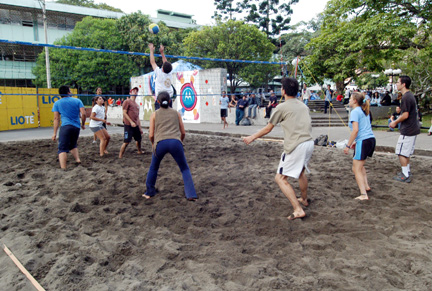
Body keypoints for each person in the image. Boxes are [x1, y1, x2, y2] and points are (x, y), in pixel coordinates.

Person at [243, 77, 314, 221]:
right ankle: (304, 200)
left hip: (296, 145)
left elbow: (268, 128)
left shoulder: (281, 107)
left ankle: (298, 209)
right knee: (301, 172)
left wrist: (252, 137)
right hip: (309, 143)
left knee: (280, 178)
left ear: (283, 91)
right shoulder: (303, 106)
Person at [143, 91, 198, 201]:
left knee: (154, 167)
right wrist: (180, 142)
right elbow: (183, 132)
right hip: (175, 142)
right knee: (184, 168)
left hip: (160, 143)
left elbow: (151, 134)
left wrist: (153, 144)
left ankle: (149, 192)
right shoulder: (176, 113)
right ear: (169, 101)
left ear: (157, 102)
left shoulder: (154, 114)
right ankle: (191, 194)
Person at [344, 92, 376, 200]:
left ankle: (363, 195)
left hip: (364, 140)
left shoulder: (355, 111)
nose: (349, 100)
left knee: (356, 168)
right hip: (370, 140)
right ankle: (366, 186)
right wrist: (355, 142)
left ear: (355, 101)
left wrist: (347, 146)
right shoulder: (364, 110)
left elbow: (356, 130)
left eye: (350, 99)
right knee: (360, 165)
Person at [389, 76, 421, 183]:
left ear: (403, 84)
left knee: (401, 152)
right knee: (406, 152)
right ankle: (407, 171)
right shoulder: (410, 95)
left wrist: (395, 122)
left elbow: (405, 115)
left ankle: (405, 174)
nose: (396, 84)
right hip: (412, 128)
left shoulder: (406, 97)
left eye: (398, 82)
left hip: (408, 130)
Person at [51, 85, 86, 170]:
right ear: (68, 92)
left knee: (62, 148)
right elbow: (84, 114)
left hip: (66, 126)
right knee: (73, 144)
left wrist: (54, 133)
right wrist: (83, 124)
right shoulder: (77, 100)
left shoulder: (57, 103)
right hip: (76, 127)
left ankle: (63, 168)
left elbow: (56, 119)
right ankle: (78, 160)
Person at [119, 87, 143, 158]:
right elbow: (124, 113)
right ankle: (120, 156)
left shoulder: (137, 105)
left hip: (135, 125)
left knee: (139, 139)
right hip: (128, 124)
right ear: (130, 93)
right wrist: (131, 122)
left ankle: (139, 151)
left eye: (136, 91)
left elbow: (137, 117)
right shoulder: (127, 101)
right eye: (133, 91)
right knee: (126, 142)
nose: (135, 92)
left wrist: (140, 127)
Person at [149, 43, 173, 110]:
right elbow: (165, 62)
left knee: (159, 118)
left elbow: (152, 62)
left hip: (160, 99)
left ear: (162, 68)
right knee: (169, 117)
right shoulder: (170, 73)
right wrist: (162, 52)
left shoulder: (159, 73)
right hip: (168, 98)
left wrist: (151, 51)